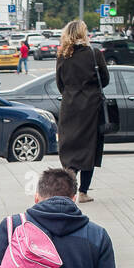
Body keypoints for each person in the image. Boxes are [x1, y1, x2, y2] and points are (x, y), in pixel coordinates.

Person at [54, 19, 110, 205]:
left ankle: (69, 183)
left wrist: (71, 94)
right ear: (82, 34)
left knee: (70, 145)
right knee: (89, 147)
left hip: (69, 106)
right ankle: (83, 192)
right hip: (91, 107)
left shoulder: (62, 55)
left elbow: (59, 83)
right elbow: (105, 79)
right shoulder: (93, 53)